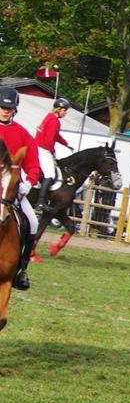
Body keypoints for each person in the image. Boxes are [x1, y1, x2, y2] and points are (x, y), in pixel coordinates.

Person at [0, 86, 43, 291]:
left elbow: (34, 164)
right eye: (2, 107)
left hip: (11, 192)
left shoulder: (23, 134)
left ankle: (21, 270)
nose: (5, 111)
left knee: (32, 222)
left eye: (9, 108)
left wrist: (29, 182)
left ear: (15, 110)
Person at [32, 97, 71, 209]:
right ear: (58, 109)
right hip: (44, 150)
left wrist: (66, 144)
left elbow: (56, 136)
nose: (65, 113)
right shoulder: (55, 121)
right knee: (50, 175)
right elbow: (49, 139)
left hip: (37, 147)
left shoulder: (49, 117)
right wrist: (52, 152)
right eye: (64, 110)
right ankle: (40, 202)